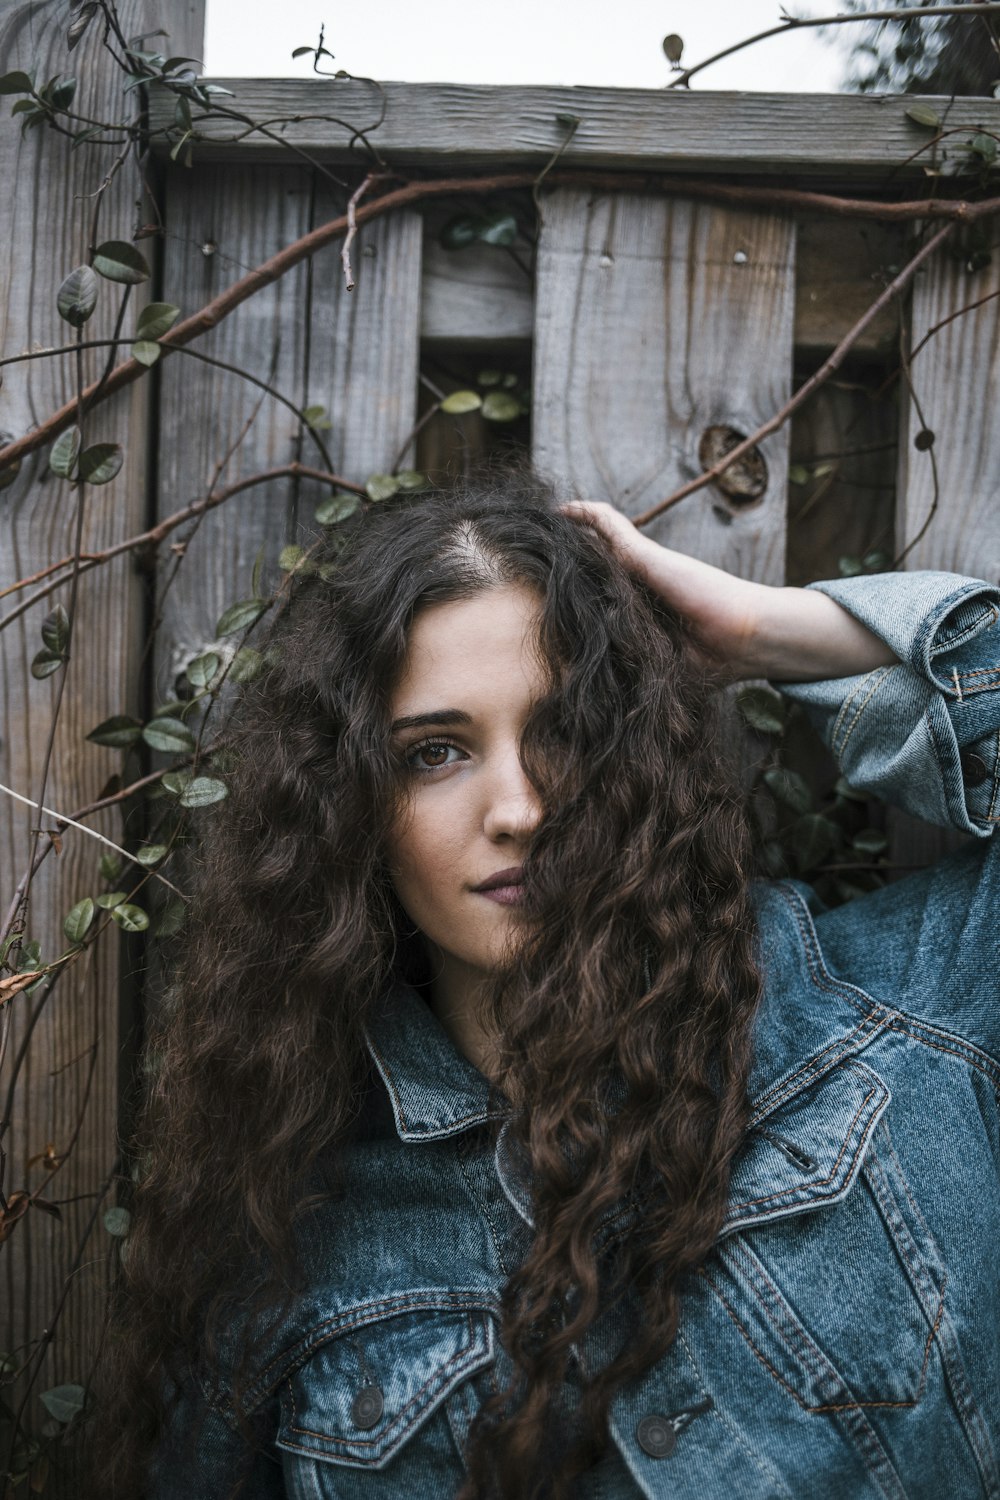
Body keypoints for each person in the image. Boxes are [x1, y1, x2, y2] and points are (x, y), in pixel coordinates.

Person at [89, 473, 999, 1500]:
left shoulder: (911, 1016)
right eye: (434, 753)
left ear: (635, 760)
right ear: (353, 810)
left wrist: (755, 634)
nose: (519, 808)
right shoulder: (284, 1235)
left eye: (564, 733)